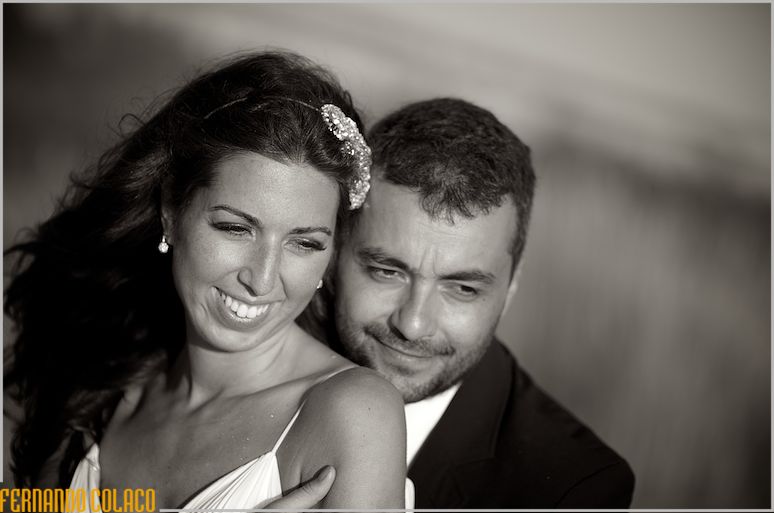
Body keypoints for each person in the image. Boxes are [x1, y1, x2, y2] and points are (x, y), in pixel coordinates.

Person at [3, 51, 407, 510]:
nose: (262, 278)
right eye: (236, 228)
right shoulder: (101, 385)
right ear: (171, 213)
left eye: (305, 243)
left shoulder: (352, 413)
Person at [301, 97, 635, 508]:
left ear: (511, 286)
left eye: (462, 289)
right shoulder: (250, 352)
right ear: (336, 253)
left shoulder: (570, 489)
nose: (413, 324)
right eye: (387, 271)